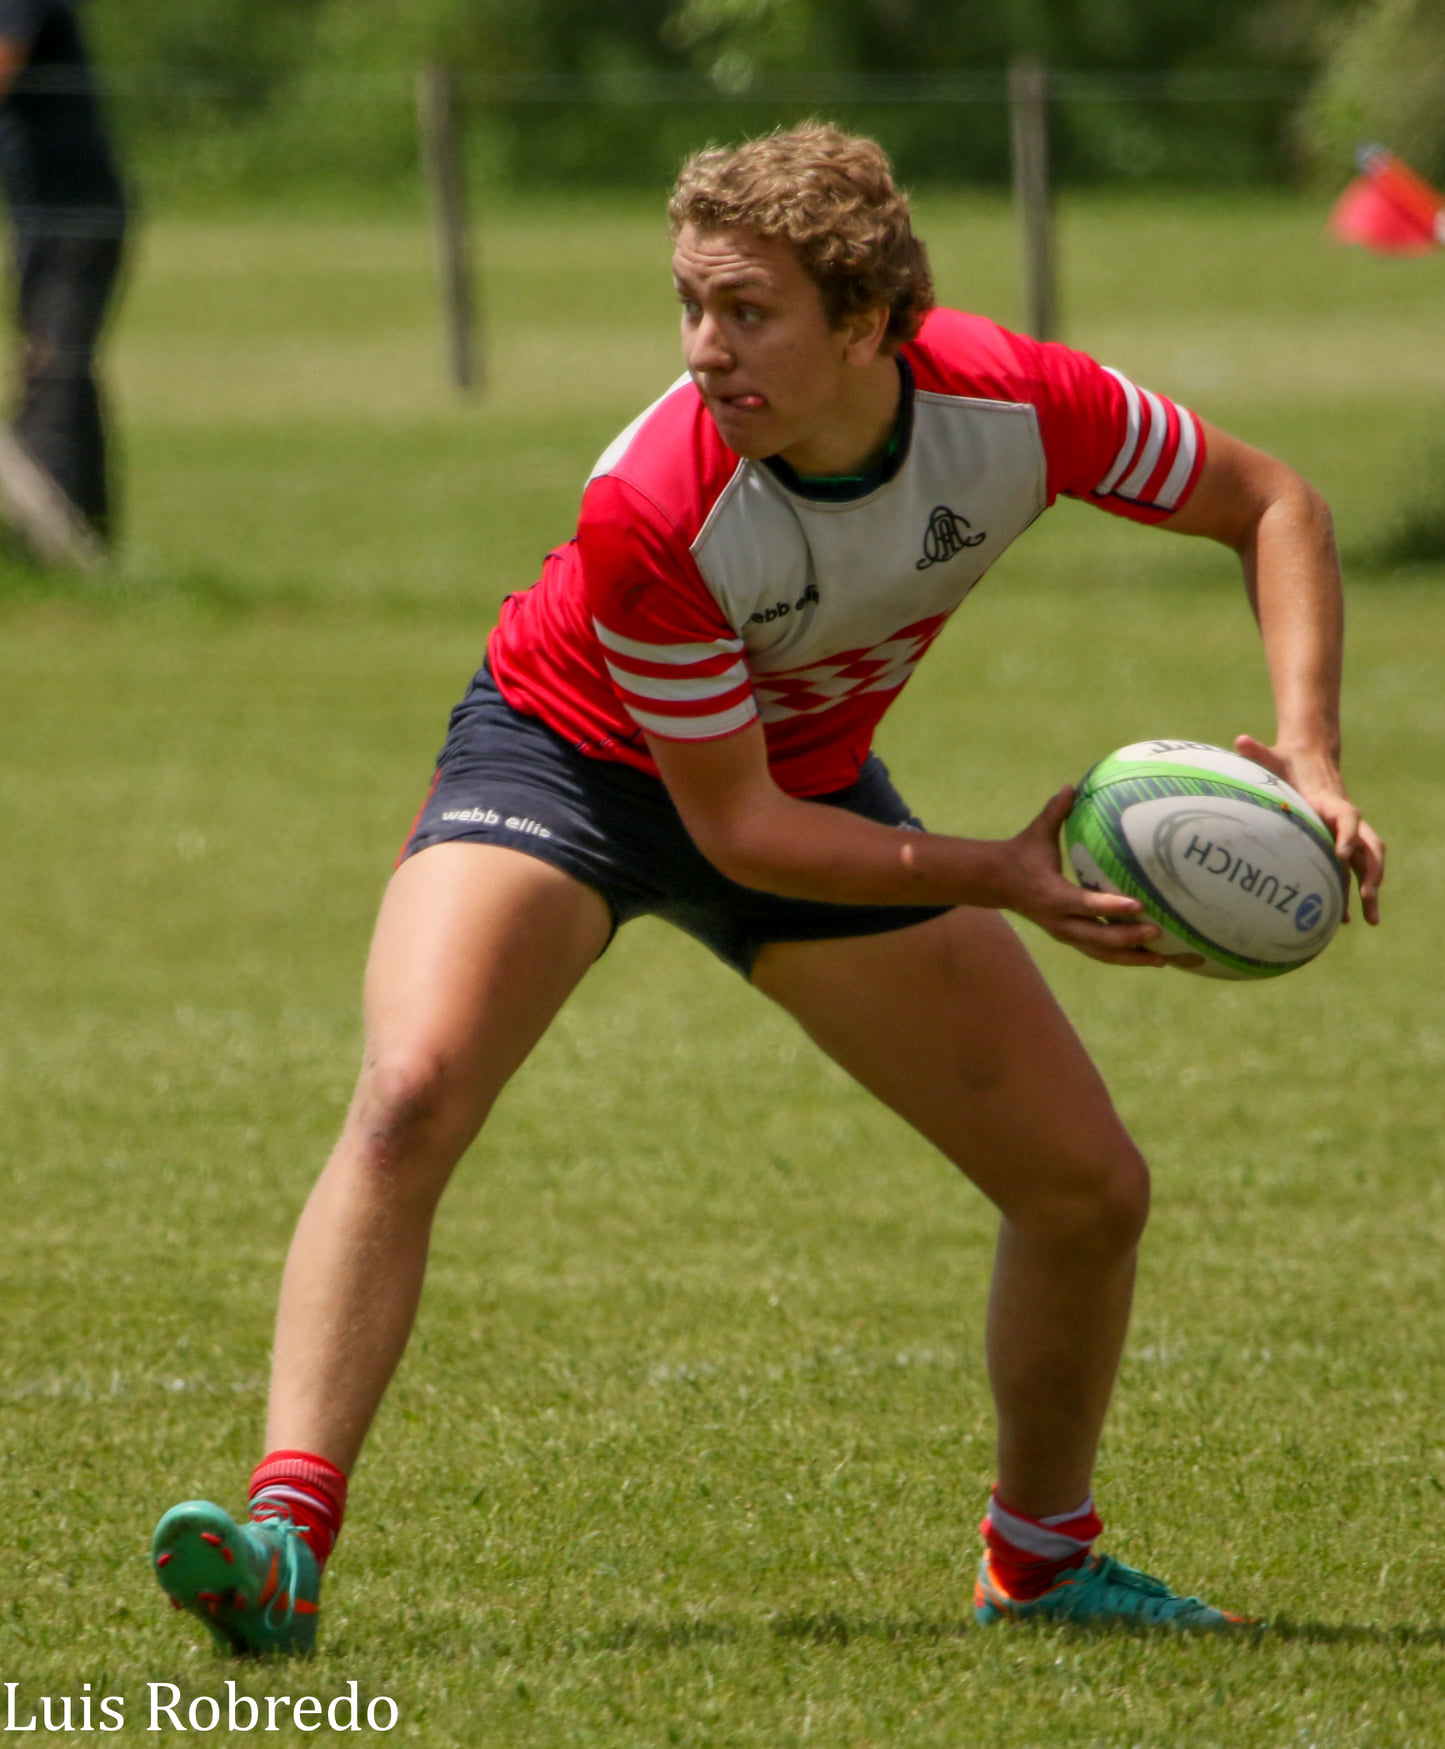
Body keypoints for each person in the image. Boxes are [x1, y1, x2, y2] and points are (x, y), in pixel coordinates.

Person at [150, 122, 1385, 1652]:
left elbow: (1274, 503)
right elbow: (729, 831)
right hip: (568, 766)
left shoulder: (1019, 404)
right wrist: (999, 872)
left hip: (800, 791)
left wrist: (1313, 759)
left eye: (748, 313)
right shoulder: (655, 502)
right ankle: (282, 1539)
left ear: (865, 323)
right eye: (691, 306)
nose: (704, 350)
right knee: (410, 1090)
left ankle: (1043, 1561)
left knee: (1085, 1188)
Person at [0, 0, 125, 547]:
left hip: (77, 218)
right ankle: (85, 534)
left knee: (54, 373)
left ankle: (49, 543)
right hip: (44, 217)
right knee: (58, 368)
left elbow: (5, 59)